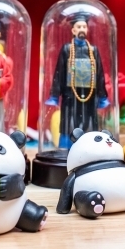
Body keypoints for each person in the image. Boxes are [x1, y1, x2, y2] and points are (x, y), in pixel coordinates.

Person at [47, 14, 108, 148]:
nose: (82, 29)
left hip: (90, 94)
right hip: (70, 94)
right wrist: (54, 95)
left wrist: (102, 96)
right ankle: (66, 146)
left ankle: (90, 146)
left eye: (84, 27)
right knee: (69, 120)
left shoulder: (93, 50)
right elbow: (59, 72)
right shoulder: (67, 49)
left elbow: (99, 73)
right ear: (73, 30)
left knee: (89, 120)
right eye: (79, 27)